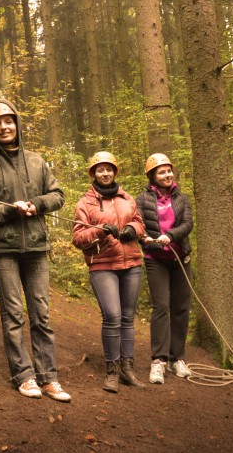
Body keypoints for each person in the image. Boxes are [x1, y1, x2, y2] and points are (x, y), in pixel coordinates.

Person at [0, 99, 71, 403]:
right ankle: (24, 375)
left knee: (42, 314)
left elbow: (57, 195)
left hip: (37, 247)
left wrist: (37, 204)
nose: (4, 127)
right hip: (3, 250)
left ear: (17, 123)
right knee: (13, 314)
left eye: (8, 121)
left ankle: (49, 377)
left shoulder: (37, 161)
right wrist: (8, 211)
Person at [72, 152, 146, 392]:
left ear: (115, 171)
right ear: (93, 173)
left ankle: (128, 368)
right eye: (100, 170)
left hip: (132, 263)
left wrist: (133, 229)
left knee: (127, 317)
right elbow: (78, 237)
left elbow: (140, 222)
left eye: (109, 169)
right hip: (102, 264)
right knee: (112, 316)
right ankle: (112, 371)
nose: (105, 173)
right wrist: (101, 231)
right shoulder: (86, 203)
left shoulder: (127, 198)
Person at [136, 153, 194, 384]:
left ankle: (176, 358)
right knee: (161, 307)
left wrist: (170, 236)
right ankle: (158, 360)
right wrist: (147, 239)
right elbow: (139, 224)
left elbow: (188, 223)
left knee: (181, 308)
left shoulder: (182, 198)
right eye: (161, 172)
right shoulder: (142, 200)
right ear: (152, 176)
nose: (167, 174)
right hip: (156, 259)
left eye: (169, 170)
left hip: (181, 259)